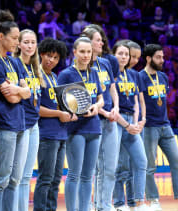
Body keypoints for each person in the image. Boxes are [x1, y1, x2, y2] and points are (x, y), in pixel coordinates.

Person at [139, 44, 178, 211]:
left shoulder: (163, 77)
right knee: (150, 166)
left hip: (165, 125)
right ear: (148, 58)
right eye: (159, 57)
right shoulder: (140, 77)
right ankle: (153, 201)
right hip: (149, 127)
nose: (162, 60)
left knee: (177, 162)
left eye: (163, 57)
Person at [0, 10, 31, 211]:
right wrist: (20, 91)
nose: (17, 43)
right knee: (0, 180)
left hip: (19, 124)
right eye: (14, 38)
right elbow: (11, 97)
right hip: (3, 126)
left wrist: (19, 89)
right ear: (1, 37)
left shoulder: (13, 61)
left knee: (14, 180)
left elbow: (27, 91)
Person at [57, 37, 104, 211]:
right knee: (74, 174)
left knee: (88, 176)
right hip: (75, 129)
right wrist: (75, 111)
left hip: (94, 127)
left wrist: (95, 107)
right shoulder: (66, 74)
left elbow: (101, 99)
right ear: (74, 52)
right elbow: (62, 102)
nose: (85, 55)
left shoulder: (93, 73)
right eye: (82, 52)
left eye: (88, 52)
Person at [33, 37, 77, 211]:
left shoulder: (54, 76)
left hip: (60, 133)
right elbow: (35, 108)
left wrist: (70, 113)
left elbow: (59, 104)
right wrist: (59, 113)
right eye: (48, 56)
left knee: (56, 179)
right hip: (46, 134)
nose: (51, 60)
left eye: (56, 58)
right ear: (41, 54)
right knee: (45, 178)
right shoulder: (36, 75)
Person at [81, 27, 120, 211]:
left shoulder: (105, 63)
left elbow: (112, 88)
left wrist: (116, 108)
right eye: (98, 40)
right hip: (93, 119)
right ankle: (87, 205)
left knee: (110, 167)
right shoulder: (82, 66)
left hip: (111, 119)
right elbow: (85, 96)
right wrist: (105, 112)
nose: (102, 43)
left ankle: (104, 204)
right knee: (91, 169)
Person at [112, 40, 148, 211]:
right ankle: (119, 204)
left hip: (131, 122)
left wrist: (136, 122)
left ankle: (139, 202)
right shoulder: (110, 74)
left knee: (141, 162)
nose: (125, 57)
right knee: (120, 166)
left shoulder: (133, 75)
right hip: (116, 122)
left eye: (127, 54)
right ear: (114, 55)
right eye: (121, 53)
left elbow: (136, 102)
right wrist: (127, 125)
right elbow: (111, 104)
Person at [12, 29, 45, 211]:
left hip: (34, 124)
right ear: (18, 44)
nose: (30, 46)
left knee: (27, 176)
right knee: (16, 176)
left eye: (33, 42)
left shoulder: (35, 68)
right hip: (21, 124)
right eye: (26, 42)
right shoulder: (15, 64)